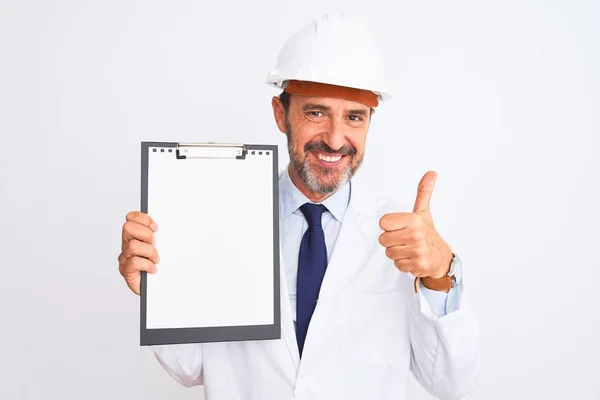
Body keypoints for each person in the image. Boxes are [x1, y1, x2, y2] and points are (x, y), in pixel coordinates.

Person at [118, 13, 480, 400]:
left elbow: (450, 382)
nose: (336, 139)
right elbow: (190, 369)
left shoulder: (404, 238)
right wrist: (159, 293)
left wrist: (441, 274)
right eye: (316, 112)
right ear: (280, 115)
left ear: (369, 122)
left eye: (354, 117)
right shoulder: (220, 219)